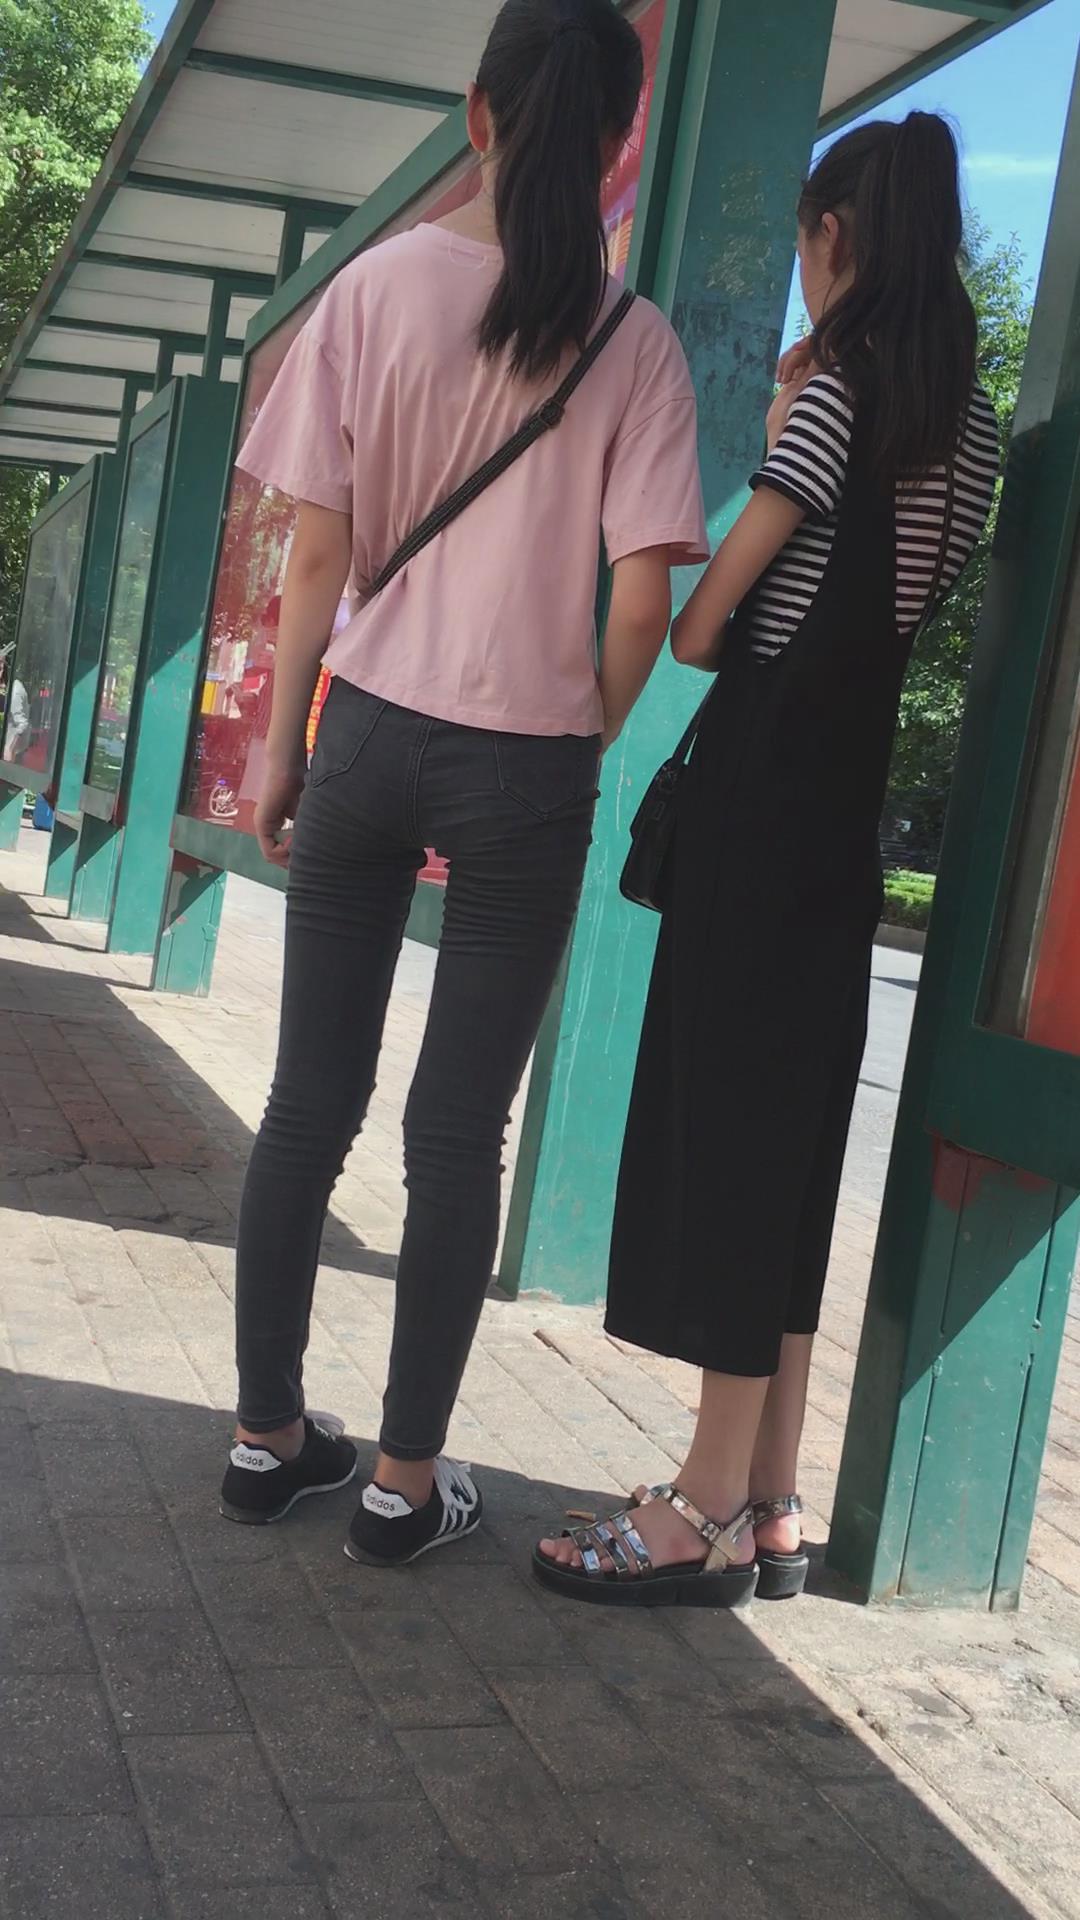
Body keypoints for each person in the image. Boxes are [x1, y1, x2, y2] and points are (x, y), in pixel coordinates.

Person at [219, 0, 708, 1564]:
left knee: (309, 1100)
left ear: (479, 115)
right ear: (620, 142)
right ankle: (403, 1484)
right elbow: (643, 605)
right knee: (456, 1134)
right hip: (526, 768)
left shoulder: (373, 289)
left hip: (364, 735)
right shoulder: (636, 342)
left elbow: (315, 556)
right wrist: (578, 732)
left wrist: (285, 749)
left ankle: (264, 1438)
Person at [534, 113, 1000, 1604]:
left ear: (837, 237)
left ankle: (701, 1508)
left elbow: (699, 624)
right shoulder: (972, 432)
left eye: (808, 245)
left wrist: (791, 412)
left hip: (754, 820)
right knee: (790, 1152)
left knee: (730, 1141)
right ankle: (776, 1500)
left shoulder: (834, 402)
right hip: (840, 825)